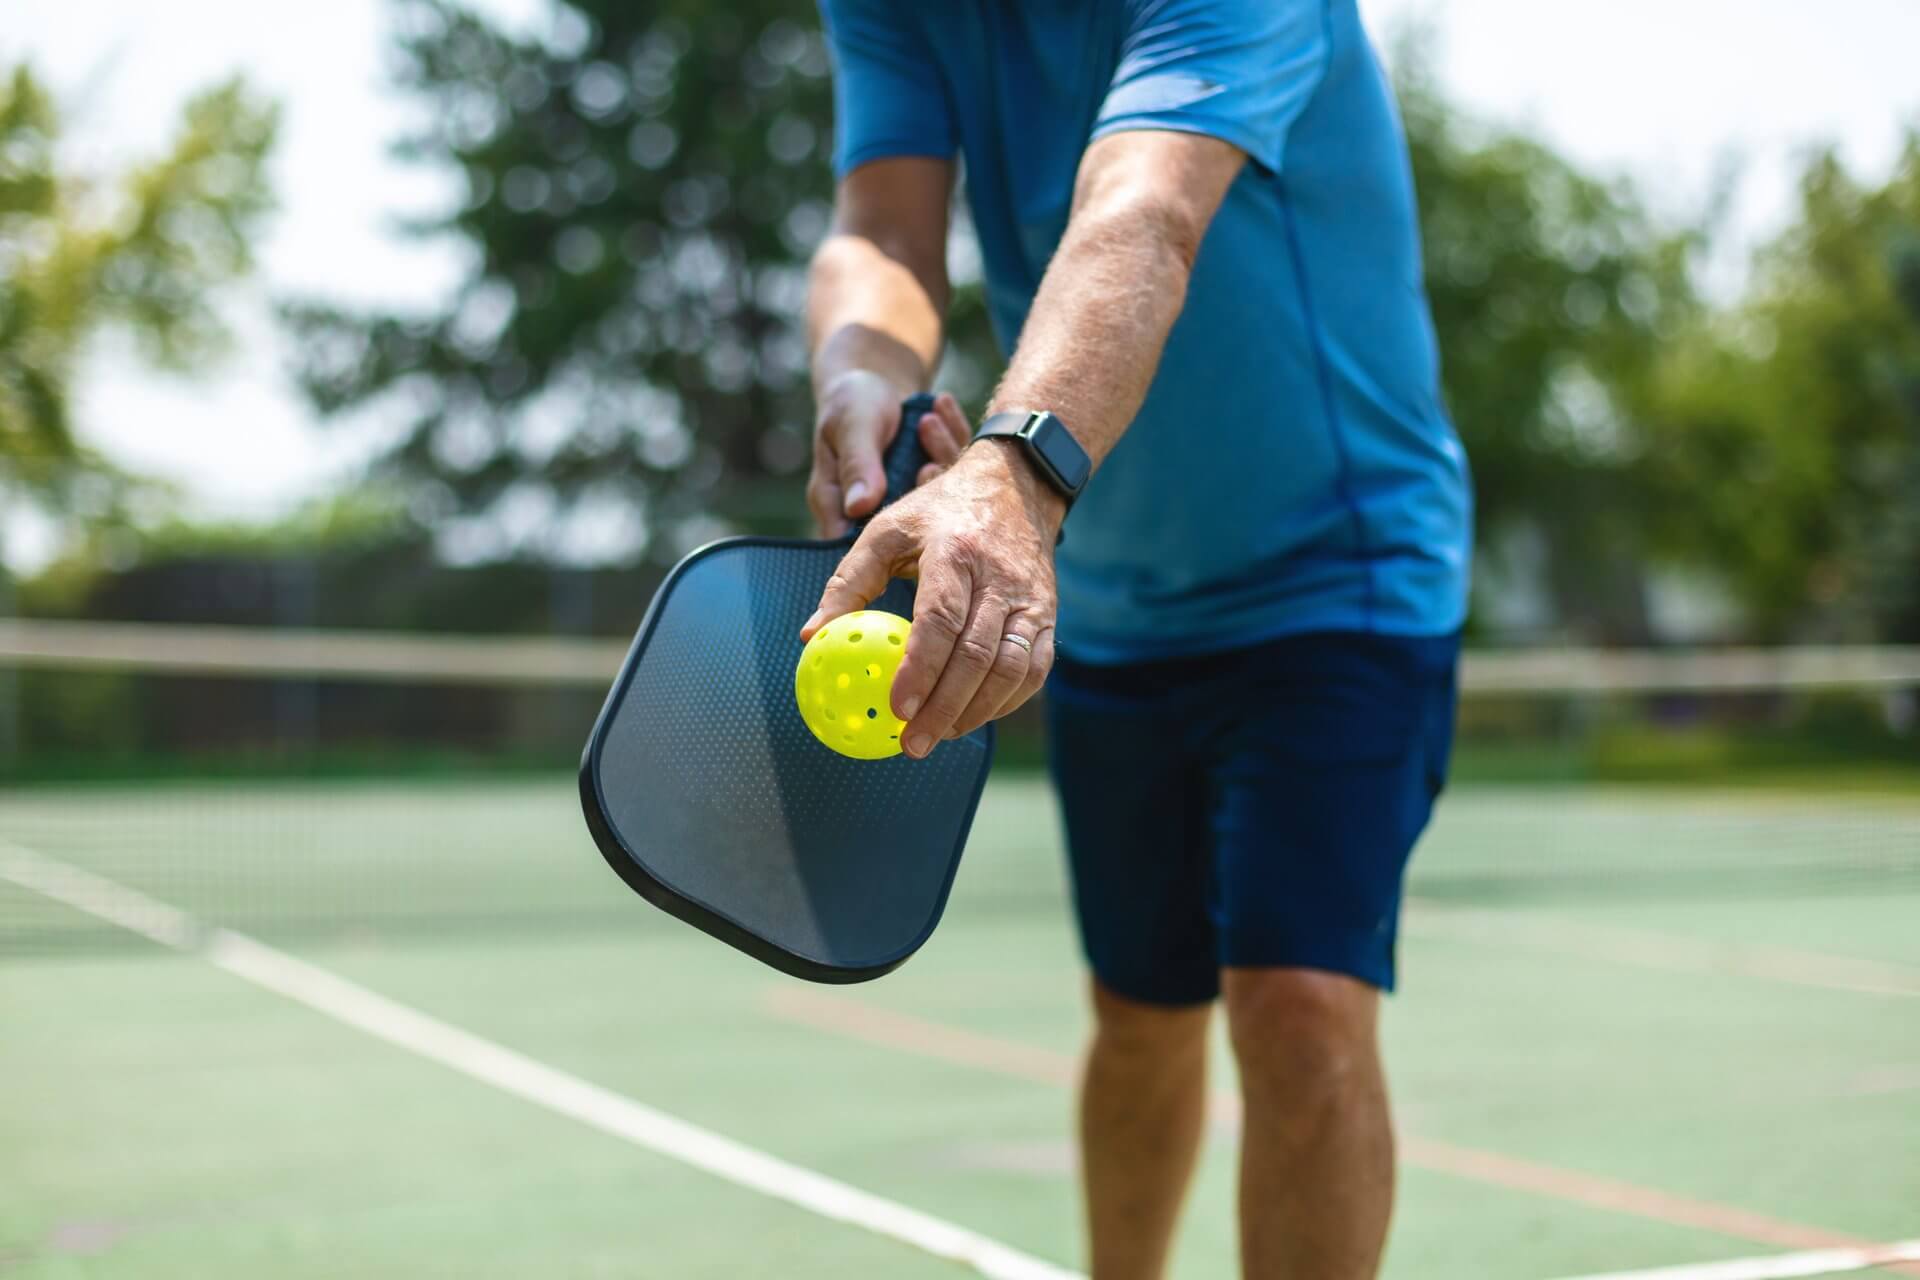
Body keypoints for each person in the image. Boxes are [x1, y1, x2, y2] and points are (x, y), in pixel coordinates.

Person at [802, 3, 1471, 1276]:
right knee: (1142, 1007)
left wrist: (1011, 475)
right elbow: (883, 227)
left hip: (1340, 570)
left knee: (1299, 1005)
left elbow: (1141, 210)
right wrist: (855, 372)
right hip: (1106, 589)